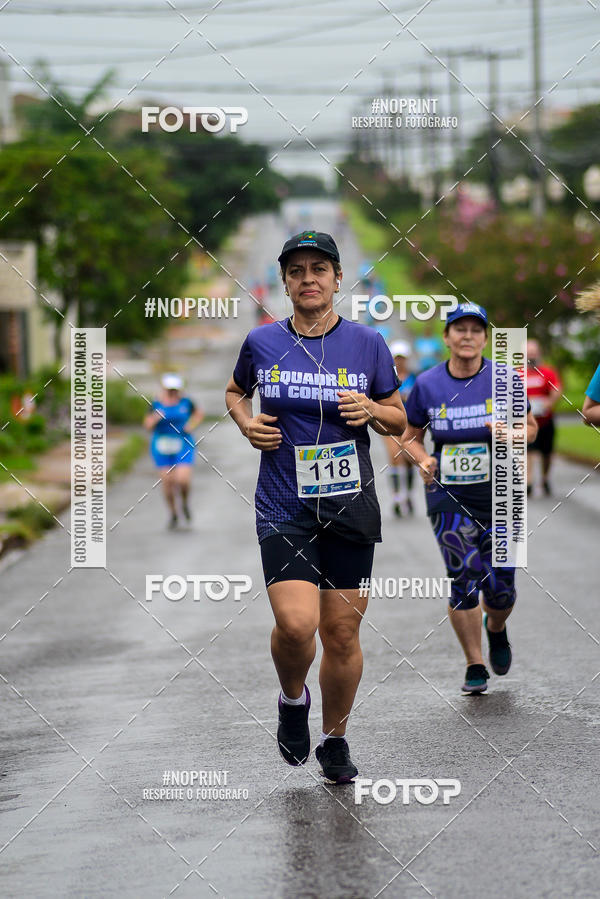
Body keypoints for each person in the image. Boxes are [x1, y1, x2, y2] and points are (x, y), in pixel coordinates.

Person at [225, 230, 406, 783]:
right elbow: (235, 393)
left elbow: (399, 418)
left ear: (336, 278)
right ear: (284, 280)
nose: (308, 279)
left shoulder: (367, 344)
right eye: (297, 270)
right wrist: (246, 421)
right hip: (284, 501)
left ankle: (335, 739)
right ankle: (291, 698)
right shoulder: (262, 343)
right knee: (297, 623)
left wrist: (371, 407)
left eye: (319, 269)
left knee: (343, 634)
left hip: (350, 503)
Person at [401, 303, 538, 694]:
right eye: (458, 329)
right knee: (463, 576)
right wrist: (424, 457)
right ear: (446, 337)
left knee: (501, 587)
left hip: (501, 493)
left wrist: (510, 434)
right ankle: (474, 663)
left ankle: (496, 627)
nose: (467, 336)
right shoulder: (427, 385)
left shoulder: (505, 378)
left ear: (484, 337)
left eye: (475, 330)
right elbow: (410, 436)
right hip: (448, 495)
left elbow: (530, 429)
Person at [144, 373, 204, 529]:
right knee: (168, 482)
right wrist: (155, 419)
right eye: (169, 389)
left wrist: (191, 425)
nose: (172, 392)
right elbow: (147, 425)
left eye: (175, 389)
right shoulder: (156, 404)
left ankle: (184, 503)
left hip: (183, 444)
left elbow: (198, 414)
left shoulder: (186, 402)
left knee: (183, 480)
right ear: (164, 389)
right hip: (162, 446)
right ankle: (173, 513)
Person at [383, 340, 417, 517]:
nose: (400, 361)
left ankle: (408, 494)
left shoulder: (414, 377)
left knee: (409, 458)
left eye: (402, 358)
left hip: (410, 424)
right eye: (397, 358)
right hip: (391, 424)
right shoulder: (386, 377)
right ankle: (397, 498)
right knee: (395, 457)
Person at [526, 339, 562, 496]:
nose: (531, 356)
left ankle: (545, 478)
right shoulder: (517, 373)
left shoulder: (547, 372)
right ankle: (528, 483)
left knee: (546, 453)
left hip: (545, 421)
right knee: (528, 452)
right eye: (529, 353)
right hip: (527, 422)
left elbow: (557, 389)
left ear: (538, 353)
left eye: (534, 352)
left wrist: (549, 402)